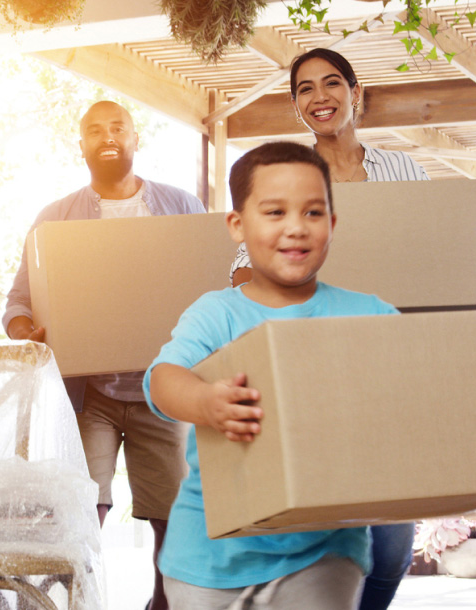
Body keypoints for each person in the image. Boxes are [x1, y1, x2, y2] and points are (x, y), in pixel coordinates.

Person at [144, 141, 399, 609]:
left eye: (314, 213)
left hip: (322, 553)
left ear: (333, 224)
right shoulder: (216, 314)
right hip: (208, 556)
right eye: (275, 212)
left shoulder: (370, 315)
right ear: (238, 226)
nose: (296, 229)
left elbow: (414, 394)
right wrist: (205, 403)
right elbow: (163, 379)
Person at [228, 48, 426, 610]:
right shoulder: (283, 174)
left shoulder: (405, 171)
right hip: (309, 365)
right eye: (306, 89)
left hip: (384, 364)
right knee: (319, 540)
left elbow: (434, 255)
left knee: (390, 548)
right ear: (296, 106)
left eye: (332, 83)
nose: (320, 97)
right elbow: (241, 269)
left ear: (355, 92)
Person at [3, 100, 207, 610]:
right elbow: (18, 302)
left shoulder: (182, 207)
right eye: (95, 130)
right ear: (82, 146)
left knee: (174, 516)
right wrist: (26, 330)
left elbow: (213, 284)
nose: (107, 136)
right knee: (80, 511)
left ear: (137, 139)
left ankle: (164, 604)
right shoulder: (53, 219)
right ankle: (75, 602)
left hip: (161, 390)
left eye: (118, 127)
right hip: (89, 394)